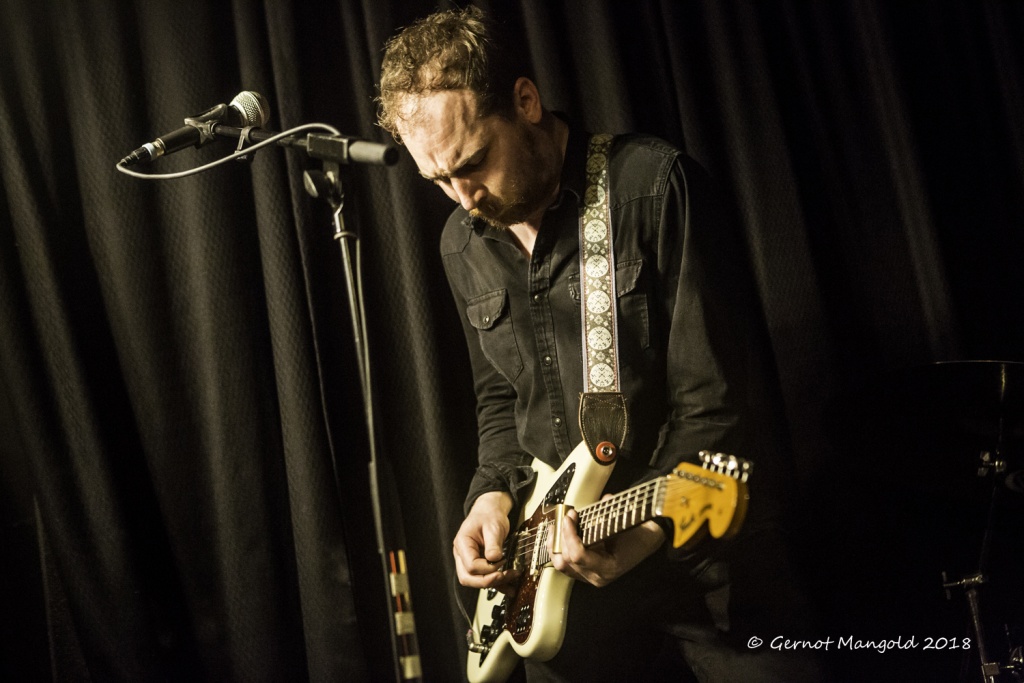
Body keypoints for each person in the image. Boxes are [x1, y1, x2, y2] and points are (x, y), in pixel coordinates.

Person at [377, 6, 823, 682]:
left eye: (472, 163)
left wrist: (641, 535)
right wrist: (489, 497)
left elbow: (718, 406)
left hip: (707, 568)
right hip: (568, 601)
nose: (463, 199)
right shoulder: (461, 245)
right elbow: (501, 401)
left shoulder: (652, 187)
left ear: (525, 101)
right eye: (437, 180)